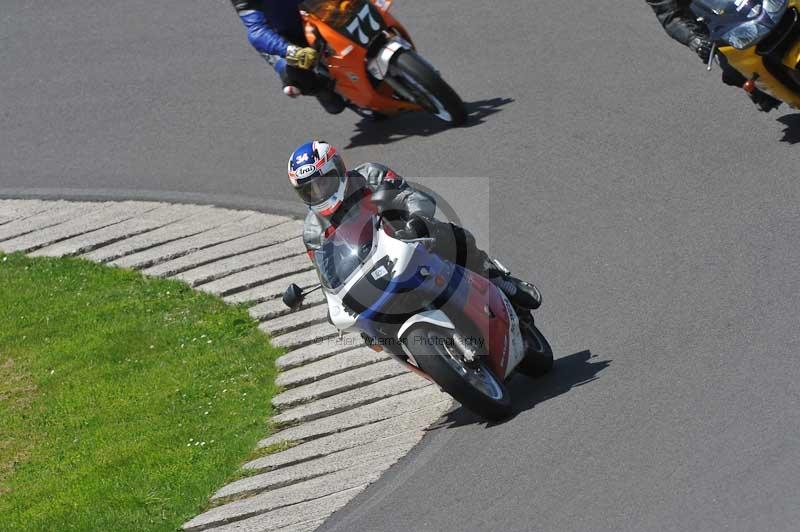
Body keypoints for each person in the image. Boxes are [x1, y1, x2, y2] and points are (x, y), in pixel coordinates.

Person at [287, 140, 540, 310]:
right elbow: (327, 275)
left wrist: (417, 221)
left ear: (338, 169)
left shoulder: (370, 175)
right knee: (366, 330)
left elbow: (410, 196)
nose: (319, 193)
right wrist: (334, 303)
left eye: (323, 183)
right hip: (370, 277)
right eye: (309, 190)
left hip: (410, 241)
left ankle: (493, 276)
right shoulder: (313, 232)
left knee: (449, 235)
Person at [646, 0, 782, 111]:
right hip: (715, 23)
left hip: (744, 3)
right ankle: (762, 91)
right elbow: (670, 17)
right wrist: (694, 41)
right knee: (731, 67)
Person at [230, 0, 346, 114]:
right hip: (284, 39)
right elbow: (257, 32)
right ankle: (320, 90)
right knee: (297, 79)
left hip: (315, 14)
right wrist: (291, 52)